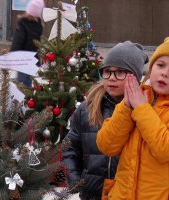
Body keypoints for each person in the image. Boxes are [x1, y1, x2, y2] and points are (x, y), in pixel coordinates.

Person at [96, 34, 169, 200]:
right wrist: (126, 108)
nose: (165, 73)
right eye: (160, 65)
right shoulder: (139, 95)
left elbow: (166, 148)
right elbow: (107, 145)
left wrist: (141, 108)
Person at [62, 41, 149, 200]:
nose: (111, 78)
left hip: (128, 193)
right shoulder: (88, 108)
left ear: (135, 77)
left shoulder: (144, 110)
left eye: (120, 72)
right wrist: (75, 179)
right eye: (107, 71)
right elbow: (70, 147)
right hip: (93, 193)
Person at [10, 0, 44, 87]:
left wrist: (11, 55)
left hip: (23, 60)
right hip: (33, 60)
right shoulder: (39, 25)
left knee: (21, 85)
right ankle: (28, 99)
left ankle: (22, 100)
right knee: (28, 83)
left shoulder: (22, 24)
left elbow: (17, 42)